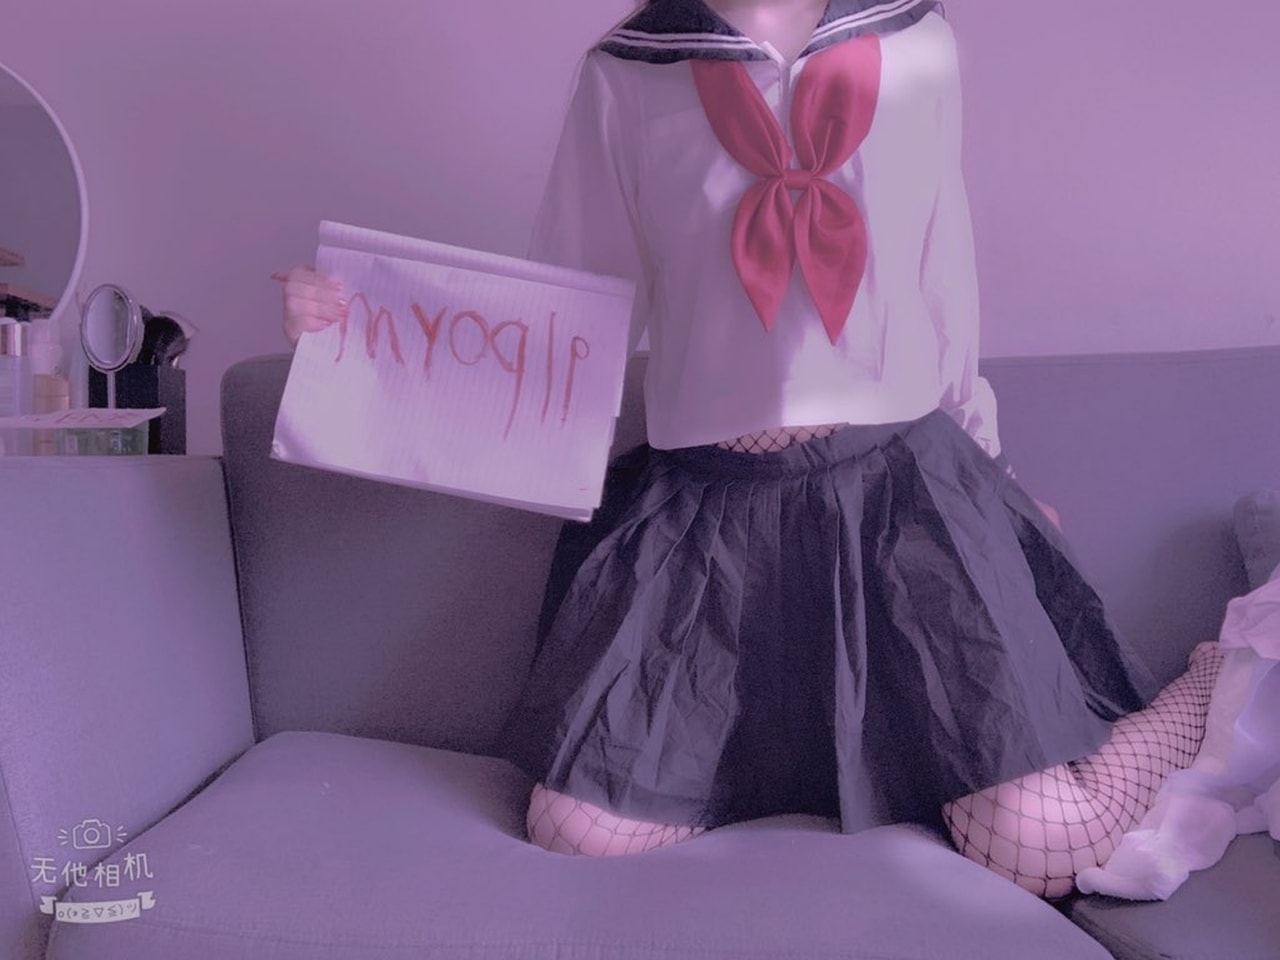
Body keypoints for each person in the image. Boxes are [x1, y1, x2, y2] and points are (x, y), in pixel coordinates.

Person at [277, 0, 1222, 900]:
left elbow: (945, 277)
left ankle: (1209, 687)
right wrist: (358, 331)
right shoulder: (628, 74)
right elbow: (564, 320)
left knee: (1041, 844)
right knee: (574, 833)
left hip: (904, 504)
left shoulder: (917, 44)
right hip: (708, 522)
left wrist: (994, 485)